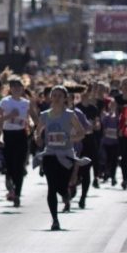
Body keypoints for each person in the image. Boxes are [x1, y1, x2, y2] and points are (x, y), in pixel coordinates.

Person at [34, 86, 88, 229]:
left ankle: (65, 194)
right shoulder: (45, 115)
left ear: (65, 98)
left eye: (60, 95)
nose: (57, 98)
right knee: (51, 187)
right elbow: (37, 131)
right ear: (50, 98)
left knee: (62, 186)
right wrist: (38, 139)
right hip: (50, 154)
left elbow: (82, 133)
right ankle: (55, 220)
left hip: (66, 156)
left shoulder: (70, 115)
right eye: (54, 95)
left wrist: (70, 137)